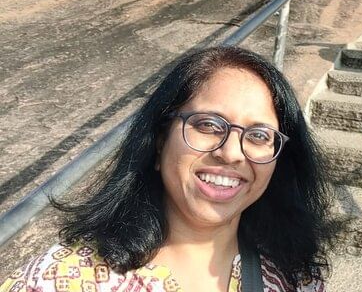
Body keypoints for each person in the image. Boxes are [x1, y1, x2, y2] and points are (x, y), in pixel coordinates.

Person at [1, 46, 336, 292]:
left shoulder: (294, 279)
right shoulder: (59, 280)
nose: (232, 153)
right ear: (160, 141)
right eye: (208, 125)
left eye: (260, 135)